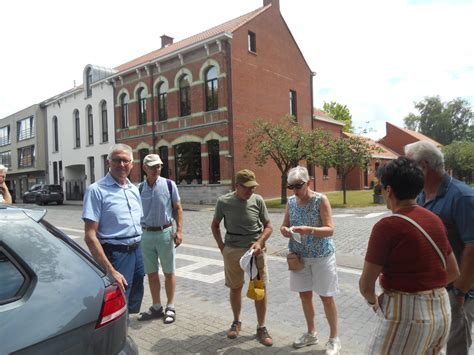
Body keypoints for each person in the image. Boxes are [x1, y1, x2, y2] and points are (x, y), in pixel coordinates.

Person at [359, 156, 460, 354]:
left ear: (389, 190)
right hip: (441, 310)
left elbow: (365, 285)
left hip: (406, 314)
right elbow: (453, 271)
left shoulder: (387, 226)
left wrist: (374, 303)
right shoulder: (434, 220)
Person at [405, 141, 474, 355]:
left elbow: (472, 247)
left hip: (458, 290)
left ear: (424, 165)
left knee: (455, 346)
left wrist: (460, 291)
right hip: (434, 288)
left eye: (410, 165)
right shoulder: (420, 196)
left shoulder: (462, 197)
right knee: (432, 344)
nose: (407, 171)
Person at [280, 166, 341, 355]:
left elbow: (330, 229)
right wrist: (284, 231)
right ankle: (311, 333)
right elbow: (284, 225)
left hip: (322, 256)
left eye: (298, 186)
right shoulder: (291, 202)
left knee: (326, 297)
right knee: (304, 296)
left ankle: (333, 338)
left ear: (308, 182)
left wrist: (310, 230)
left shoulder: (320, 200)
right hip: (299, 257)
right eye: (291, 187)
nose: (295, 191)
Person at [211, 169, 273, 346]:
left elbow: (268, 226)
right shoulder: (224, 202)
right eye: (247, 187)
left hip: (255, 251)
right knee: (235, 287)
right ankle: (236, 321)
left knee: (258, 289)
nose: (250, 191)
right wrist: (222, 248)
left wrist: (260, 242)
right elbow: (215, 226)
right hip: (233, 250)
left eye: (253, 187)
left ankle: (261, 327)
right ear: (236, 186)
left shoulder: (258, 200)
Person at [82, 144, 144, 314]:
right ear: (109, 162)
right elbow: (90, 236)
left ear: (132, 164)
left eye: (125, 161)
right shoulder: (96, 190)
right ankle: (117, 338)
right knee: (117, 304)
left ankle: (125, 332)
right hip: (116, 254)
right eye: (117, 160)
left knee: (133, 301)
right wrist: (111, 270)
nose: (121, 165)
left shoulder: (134, 189)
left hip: (137, 252)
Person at [137, 154, 183, 324]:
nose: (156, 169)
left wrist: (179, 231)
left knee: (169, 272)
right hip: (146, 234)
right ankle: (156, 306)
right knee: (151, 273)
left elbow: (178, 208)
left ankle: (170, 306)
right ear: (145, 168)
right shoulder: (139, 188)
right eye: (152, 166)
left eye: (158, 166)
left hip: (165, 233)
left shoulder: (169, 185)